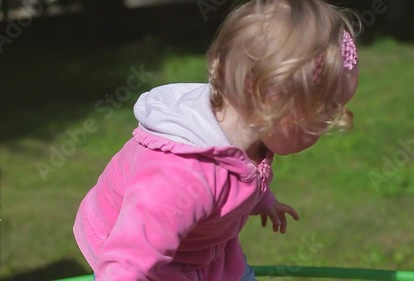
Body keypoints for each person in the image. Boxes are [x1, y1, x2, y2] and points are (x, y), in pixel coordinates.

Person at [73, 0, 359, 280]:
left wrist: (264, 201)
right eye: (319, 118)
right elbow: (126, 262)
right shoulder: (181, 177)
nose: (325, 130)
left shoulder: (250, 132)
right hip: (141, 256)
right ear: (263, 100)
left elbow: (245, 174)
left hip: (204, 247)